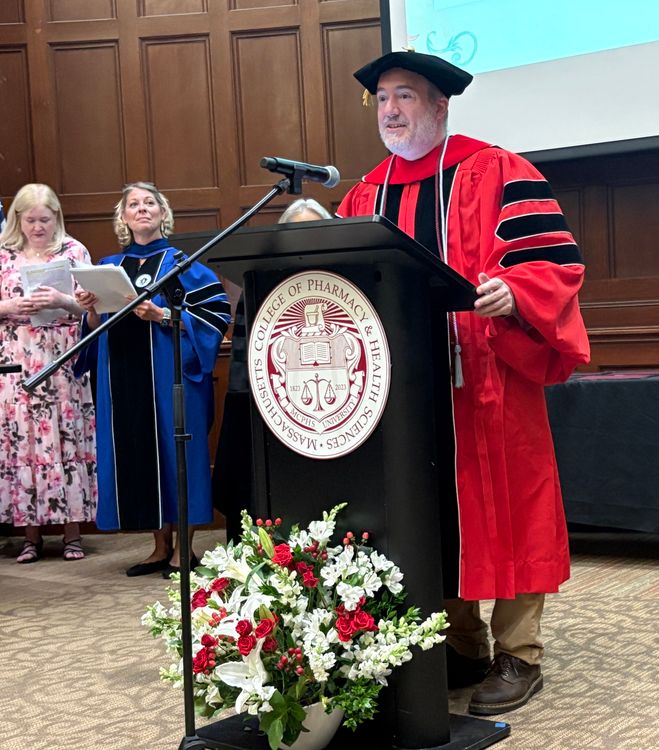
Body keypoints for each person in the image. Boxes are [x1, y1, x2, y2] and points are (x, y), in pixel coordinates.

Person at [337, 51, 590, 715]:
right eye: (384, 99)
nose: (391, 111)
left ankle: (519, 653)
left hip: (486, 380)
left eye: (406, 97)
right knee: (427, 508)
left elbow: (553, 264)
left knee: (508, 506)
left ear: (441, 106)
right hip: (404, 392)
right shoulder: (364, 195)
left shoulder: (499, 171)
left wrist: (517, 292)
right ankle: (462, 642)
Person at [74, 182, 230, 577]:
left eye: (149, 203)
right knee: (140, 454)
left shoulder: (185, 265)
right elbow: (95, 329)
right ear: (123, 218)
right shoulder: (108, 268)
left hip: (172, 378)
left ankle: (185, 549)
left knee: (180, 458)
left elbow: (216, 318)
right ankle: (159, 547)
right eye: (133, 205)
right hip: (124, 379)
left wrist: (160, 316)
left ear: (162, 213)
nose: (142, 209)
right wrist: (91, 311)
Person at [211, 197, 332, 541]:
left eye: (313, 231)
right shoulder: (261, 280)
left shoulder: (342, 276)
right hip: (267, 404)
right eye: (296, 232)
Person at [0, 184, 98, 562]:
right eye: (30, 220)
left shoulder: (74, 252)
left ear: (56, 217)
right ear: (18, 220)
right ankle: (31, 536)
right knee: (24, 446)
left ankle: (72, 534)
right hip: (17, 362)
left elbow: (93, 308)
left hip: (63, 360)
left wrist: (62, 301)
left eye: (45, 219)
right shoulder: (5, 255)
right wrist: (15, 303)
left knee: (65, 443)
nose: (38, 227)